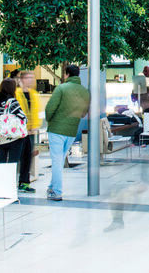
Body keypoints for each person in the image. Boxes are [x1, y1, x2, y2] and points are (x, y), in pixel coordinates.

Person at [44, 64, 90, 201]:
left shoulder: (61, 88)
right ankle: (52, 187)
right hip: (71, 131)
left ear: (67, 74)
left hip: (57, 129)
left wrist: (50, 120)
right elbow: (83, 113)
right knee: (59, 160)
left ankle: (56, 191)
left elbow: (50, 108)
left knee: (56, 161)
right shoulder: (85, 92)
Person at [0, 79, 28, 190]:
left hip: (0, 139)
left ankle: (1, 187)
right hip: (13, 138)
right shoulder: (12, 102)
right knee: (12, 164)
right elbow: (23, 117)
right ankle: (10, 188)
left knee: (1, 163)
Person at [13, 71, 41, 193]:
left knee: (27, 158)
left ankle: (24, 182)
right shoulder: (16, 93)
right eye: (28, 78)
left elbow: (36, 111)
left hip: (30, 132)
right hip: (19, 131)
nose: (31, 80)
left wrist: (34, 127)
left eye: (32, 78)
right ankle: (12, 181)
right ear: (22, 79)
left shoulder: (34, 94)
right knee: (17, 157)